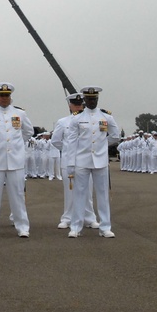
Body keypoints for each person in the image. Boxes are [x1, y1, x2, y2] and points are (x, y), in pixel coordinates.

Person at [64, 86, 120, 238]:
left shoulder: (106, 117)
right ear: (84, 100)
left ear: (97, 99)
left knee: (103, 195)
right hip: (81, 160)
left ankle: (105, 227)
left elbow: (115, 135)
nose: (92, 101)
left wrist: (103, 145)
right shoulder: (77, 118)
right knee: (79, 194)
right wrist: (70, 163)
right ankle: (76, 227)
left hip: (100, 161)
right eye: (89, 99)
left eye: (94, 99)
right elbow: (71, 142)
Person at [0, 82, 33, 238]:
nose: (4, 98)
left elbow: (27, 132)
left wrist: (16, 146)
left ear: (10, 97)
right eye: (1, 96)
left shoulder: (20, 114)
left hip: (15, 161)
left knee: (17, 195)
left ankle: (22, 226)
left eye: (7, 95)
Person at [52, 92, 98, 229]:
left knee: (87, 191)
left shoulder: (90, 119)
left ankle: (89, 217)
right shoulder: (63, 122)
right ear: (70, 106)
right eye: (75, 105)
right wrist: (68, 150)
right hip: (68, 161)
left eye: (80, 105)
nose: (78, 107)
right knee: (70, 191)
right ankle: (67, 218)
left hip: (85, 160)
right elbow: (56, 141)